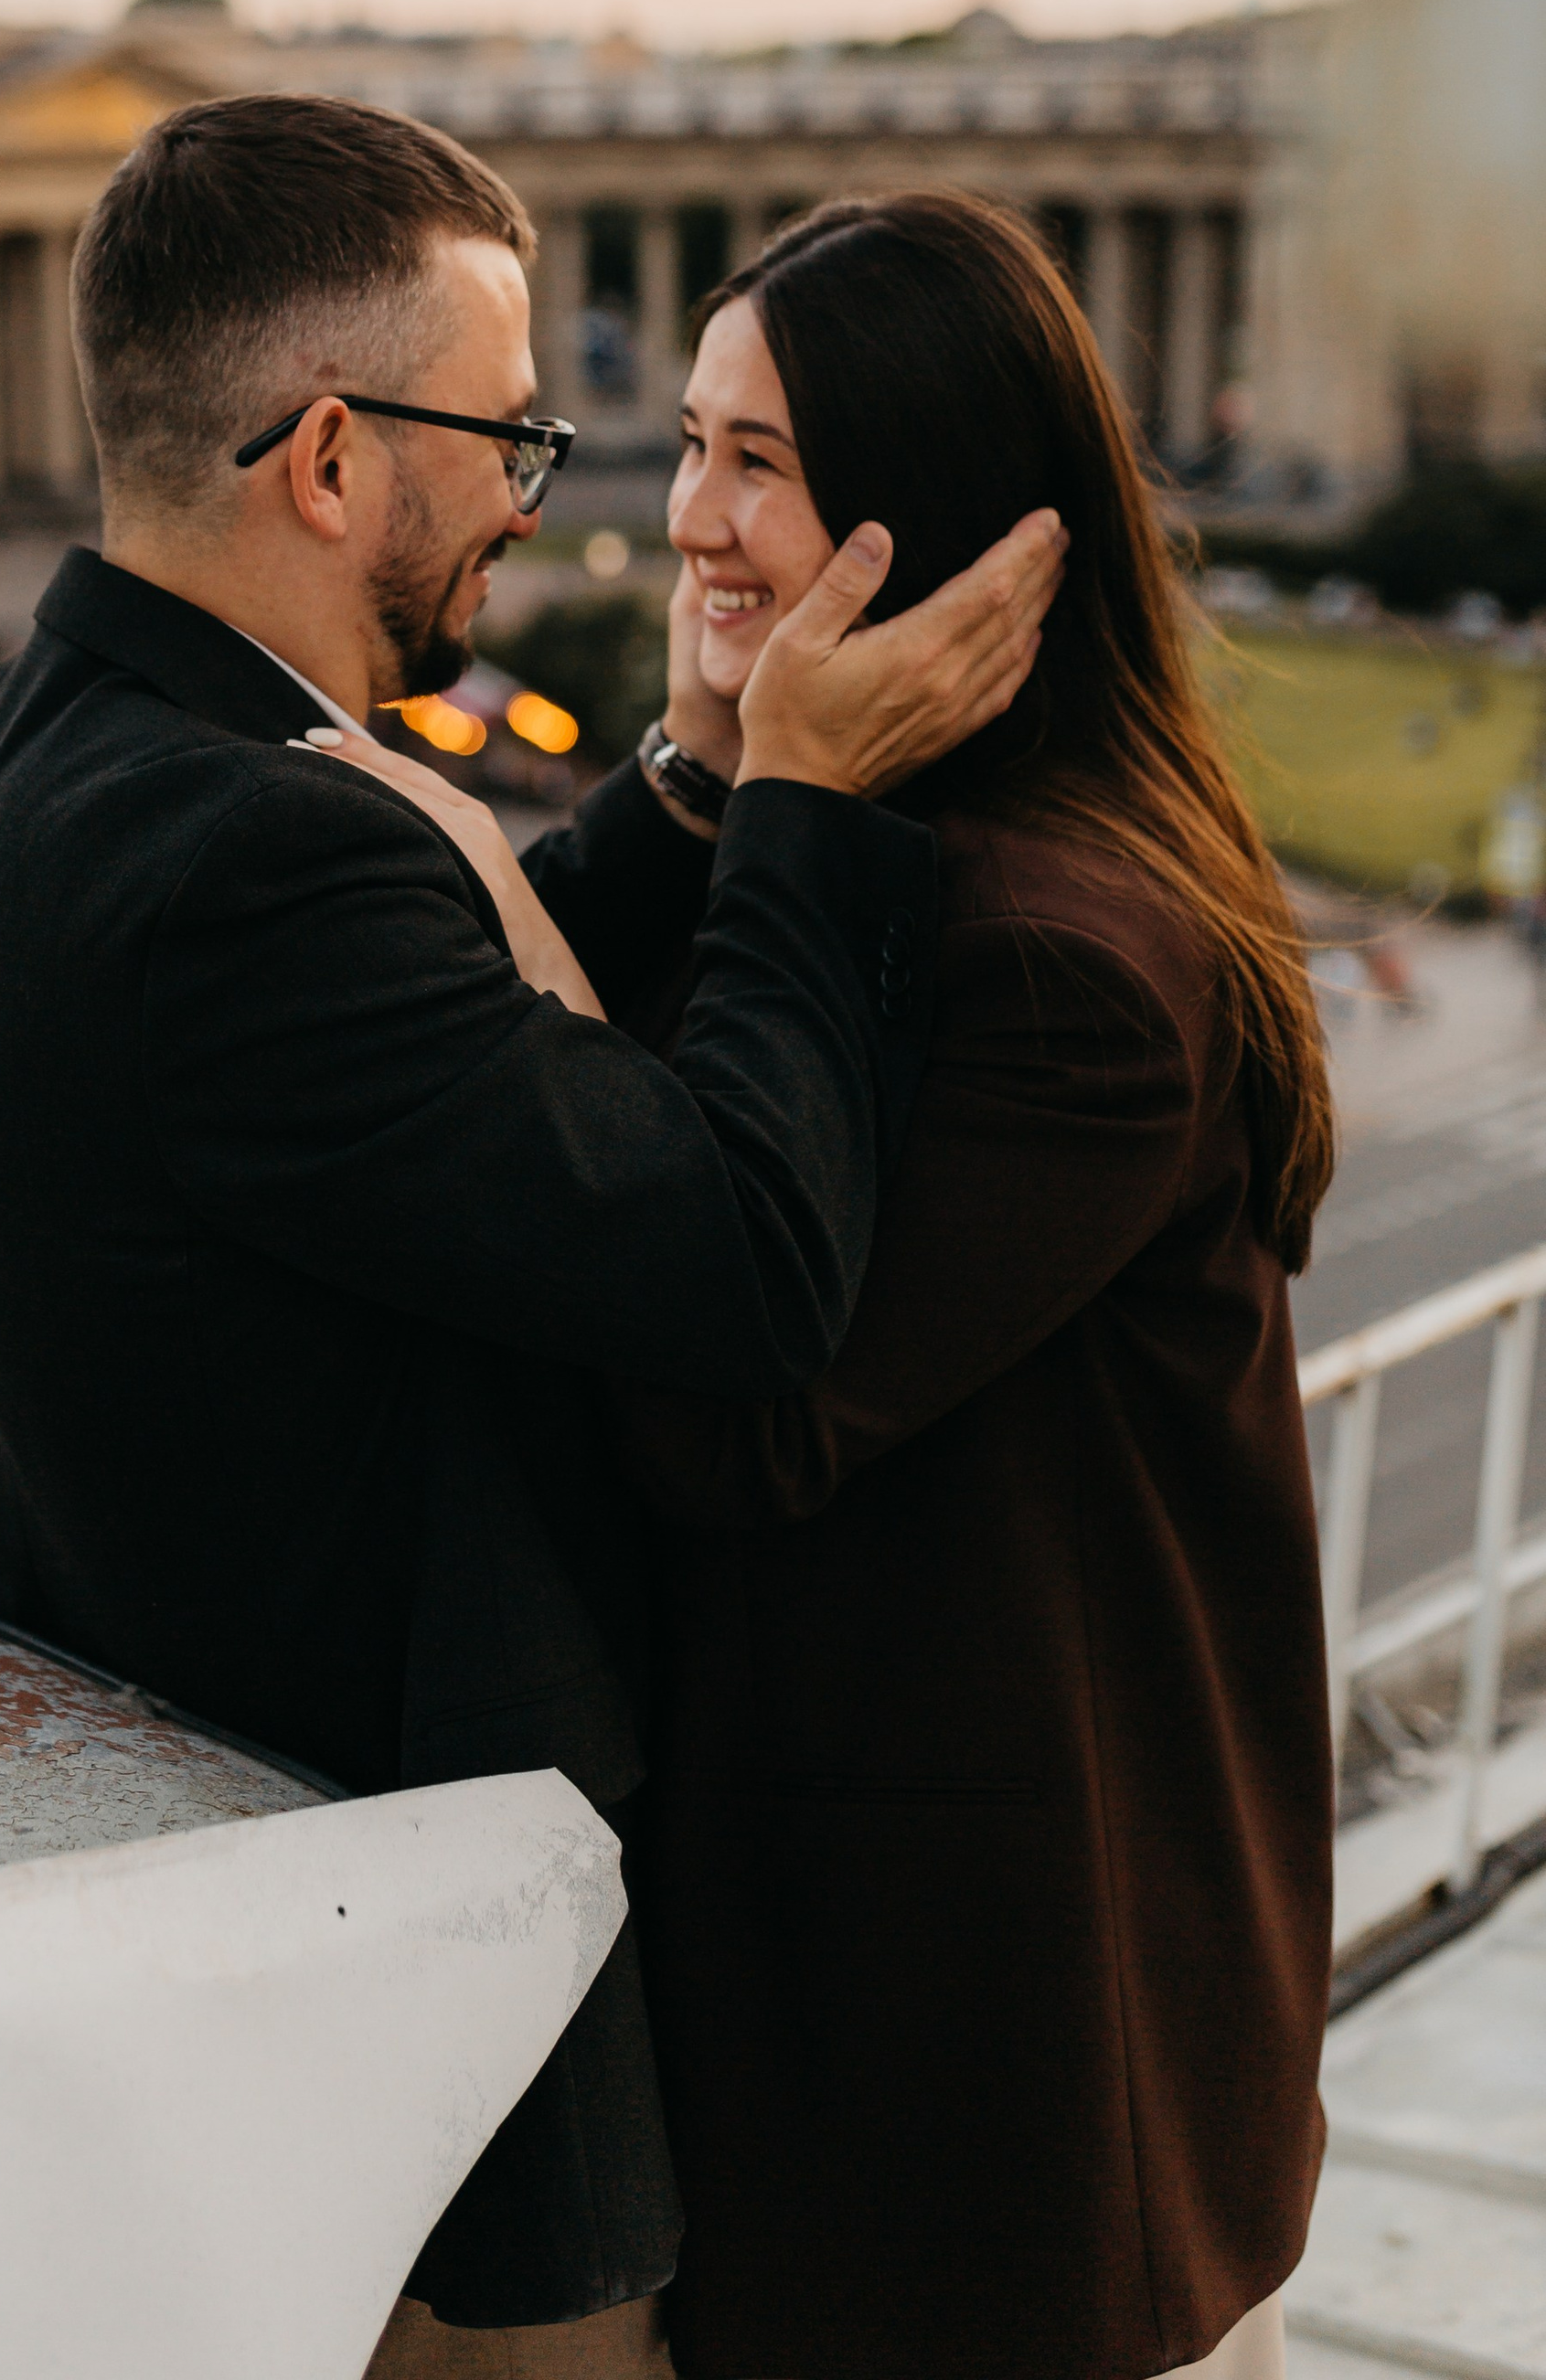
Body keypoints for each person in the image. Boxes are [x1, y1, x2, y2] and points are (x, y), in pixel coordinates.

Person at [0, 99, 1064, 2375]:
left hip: (208, 1837)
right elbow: (743, 1265)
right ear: (329, 456)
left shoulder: (25, 756)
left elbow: (415, 1098)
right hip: (412, 1949)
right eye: (504, 433)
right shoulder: (247, 854)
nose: (539, 495)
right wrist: (812, 809)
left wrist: (698, 781)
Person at [593, 195, 1332, 2380]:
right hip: (906, 2017)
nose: (687, 520)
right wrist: (716, 777)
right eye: (692, 442)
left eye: (756, 462)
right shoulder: (932, 865)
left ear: (903, 522)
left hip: (999, 2086)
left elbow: (721, 1404)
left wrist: (775, 793)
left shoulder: (1055, 962)